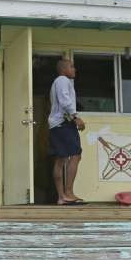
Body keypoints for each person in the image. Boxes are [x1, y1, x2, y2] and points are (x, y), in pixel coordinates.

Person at [48, 58, 86, 205]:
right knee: (76, 155)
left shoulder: (58, 82)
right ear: (64, 69)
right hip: (64, 123)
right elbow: (65, 101)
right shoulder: (63, 80)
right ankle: (68, 193)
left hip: (56, 124)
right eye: (72, 66)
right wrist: (76, 117)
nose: (74, 69)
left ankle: (61, 197)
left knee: (60, 159)